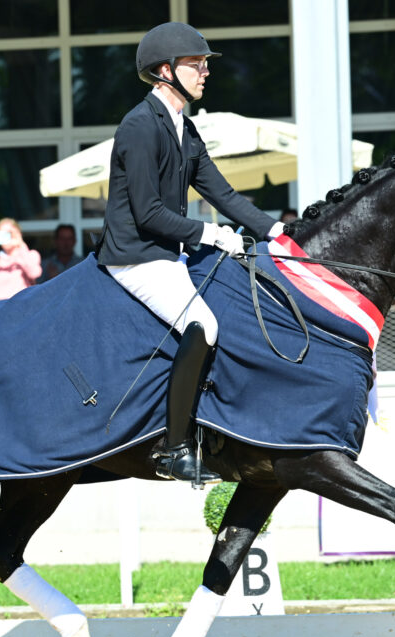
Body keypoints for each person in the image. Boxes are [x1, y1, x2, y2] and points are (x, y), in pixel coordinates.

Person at [96, 22, 285, 485]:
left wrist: (281, 231)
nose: (205, 72)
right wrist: (210, 235)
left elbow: (223, 193)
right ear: (166, 71)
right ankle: (173, 448)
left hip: (167, 254)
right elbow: (147, 213)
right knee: (204, 324)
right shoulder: (140, 126)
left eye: (204, 64)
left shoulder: (185, 127)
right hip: (136, 256)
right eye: (196, 64)